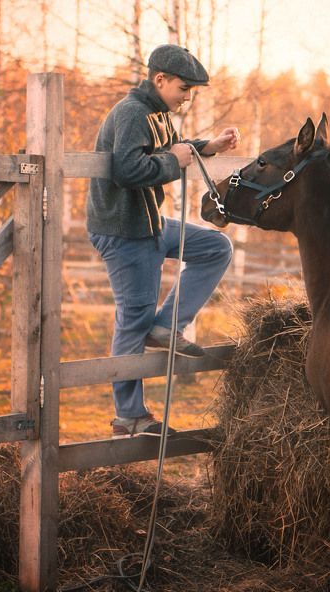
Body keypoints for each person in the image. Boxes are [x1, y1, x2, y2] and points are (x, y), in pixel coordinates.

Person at [87, 44, 238, 437]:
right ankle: (130, 416)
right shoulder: (132, 112)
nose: (187, 96)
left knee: (216, 248)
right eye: (184, 88)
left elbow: (175, 146)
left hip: (150, 222)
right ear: (160, 80)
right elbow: (127, 170)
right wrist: (175, 162)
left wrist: (209, 146)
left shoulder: (157, 113)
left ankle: (169, 325)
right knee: (133, 316)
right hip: (123, 230)